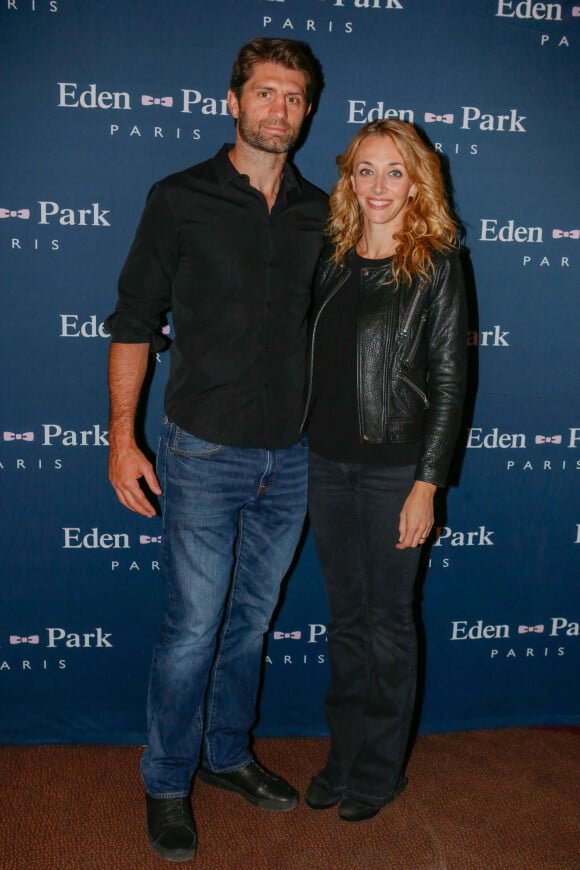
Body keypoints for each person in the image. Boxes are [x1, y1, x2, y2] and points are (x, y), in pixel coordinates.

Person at [105, 38, 327, 862]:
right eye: (264, 92)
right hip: (201, 452)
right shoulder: (179, 198)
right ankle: (166, 782)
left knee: (250, 624)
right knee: (194, 626)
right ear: (232, 101)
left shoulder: (323, 212)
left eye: (294, 97)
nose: (279, 109)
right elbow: (134, 320)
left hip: (296, 456)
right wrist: (122, 438)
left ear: (308, 112)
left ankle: (226, 756)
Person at [302, 119, 467, 822]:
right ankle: (343, 755)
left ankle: (380, 768)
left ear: (417, 181)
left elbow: (453, 381)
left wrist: (426, 484)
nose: (377, 186)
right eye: (365, 170)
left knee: (388, 625)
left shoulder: (437, 263)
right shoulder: (331, 255)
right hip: (325, 466)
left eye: (394, 171)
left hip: (395, 471)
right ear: (349, 178)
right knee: (344, 621)